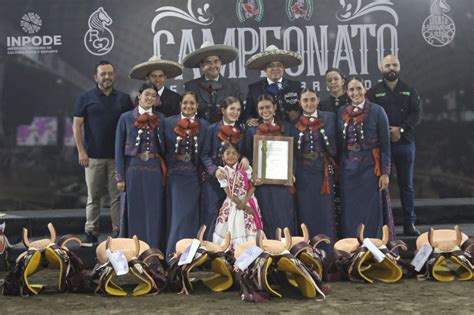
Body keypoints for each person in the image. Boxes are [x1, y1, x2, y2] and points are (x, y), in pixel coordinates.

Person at [72, 60, 134, 243]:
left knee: (116, 197)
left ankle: (117, 230)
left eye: (110, 73)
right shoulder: (85, 97)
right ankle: (91, 231)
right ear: (95, 77)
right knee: (94, 197)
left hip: (117, 158)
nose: (107, 77)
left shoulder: (123, 99)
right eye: (103, 74)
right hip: (92, 158)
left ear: (114, 76)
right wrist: (81, 151)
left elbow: (130, 126)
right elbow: (76, 126)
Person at [367, 55, 423, 236]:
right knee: (381, 186)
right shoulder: (374, 92)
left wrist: (401, 129)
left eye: (394, 65)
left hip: (405, 143)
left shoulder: (409, 89)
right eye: (387, 65)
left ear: (399, 67)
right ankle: (384, 226)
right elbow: (370, 117)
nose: (391, 68)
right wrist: (386, 134)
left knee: (406, 185)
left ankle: (410, 223)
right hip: (382, 147)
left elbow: (416, 114)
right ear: (381, 68)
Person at [337, 77, 395, 240]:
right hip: (349, 171)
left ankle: (373, 245)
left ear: (365, 89)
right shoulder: (341, 112)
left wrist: (385, 173)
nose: (355, 93)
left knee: (371, 211)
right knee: (351, 210)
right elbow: (340, 145)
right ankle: (353, 249)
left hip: (371, 170)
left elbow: (385, 144)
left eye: (358, 88)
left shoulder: (377, 111)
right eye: (351, 90)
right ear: (347, 92)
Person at [115, 83, 166, 249]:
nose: (150, 98)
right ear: (139, 95)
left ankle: (153, 249)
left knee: (154, 210)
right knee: (134, 210)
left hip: (154, 170)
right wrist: (120, 177)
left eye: (153, 95)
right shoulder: (126, 118)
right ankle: (133, 249)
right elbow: (118, 149)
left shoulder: (161, 118)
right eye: (147, 94)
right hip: (133, 168)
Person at [289, 89, 337, 252]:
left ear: (317, 100)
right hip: (303, 173)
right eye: (305, 100)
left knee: (325, 212)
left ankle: (328, 253)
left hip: (322, 173)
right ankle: (307, 252)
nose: (309, 104)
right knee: (305, 212)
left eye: (312, 100)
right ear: (300, 102)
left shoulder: (330, 118)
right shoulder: (293, 124)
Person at [163, 91, 209, 258]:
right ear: (180, 105)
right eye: (185, 103)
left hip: (193, 176)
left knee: (191, 216)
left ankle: (190, 255)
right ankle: (173, 254)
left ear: (197, 106)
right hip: (175, 176)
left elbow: (205, 152)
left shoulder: (204, 125)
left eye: (192, 103)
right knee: (178, 216)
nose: (188, 106)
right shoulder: (168, 123)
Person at [245, 94, 296, 236]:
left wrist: (291, 172)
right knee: (265, 218)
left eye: (268, 107)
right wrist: (253, 175)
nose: (265, 111)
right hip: (261, 183)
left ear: (274, 108)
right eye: (261, 108)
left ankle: (285, 250)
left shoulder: (286, 127)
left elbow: (294, 154)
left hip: (283, 183)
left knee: (284, 216)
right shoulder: (251, 131)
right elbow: (247, 156)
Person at [200, 96, 246, 240]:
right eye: (232, 109)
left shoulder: (242, 130)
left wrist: (244, 159)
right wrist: (214, 170)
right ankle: (208, 249)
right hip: (214, 183)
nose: (235, 112)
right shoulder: (211, 129)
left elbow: (245, 153)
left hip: (235, 184)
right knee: (211, 214)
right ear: (223, 110)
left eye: (238, 109)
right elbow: (204, 155)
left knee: (233, 217)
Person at [212, 143, 262, 247]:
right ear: (223, 156)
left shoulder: (245, 167)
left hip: (248, 200)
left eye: (234, 153)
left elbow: (253, 186)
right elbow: (228, 193)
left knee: (248, 227)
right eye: (228, 153)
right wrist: (241, 205)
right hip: (233, 203)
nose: (231, 156)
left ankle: (250, 251)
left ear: (238, 156)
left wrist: (245, 202)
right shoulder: (222, 172)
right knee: (231, 226)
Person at [183, 41, 243, 123]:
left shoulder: (232, 86)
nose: (213, 66)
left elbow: (241, 113)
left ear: (220, 63)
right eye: (208, 62)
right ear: (201, 65)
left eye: (216, 61)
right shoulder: (191, 86)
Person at [245, 45, 303, 125]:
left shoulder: (295, 86)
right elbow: (247, 113)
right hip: (264, 132)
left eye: (279, 65)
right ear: (265, 69)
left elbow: (305, 108)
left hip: (291, 131)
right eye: (270, 66)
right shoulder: (254, 89)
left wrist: (298, 113)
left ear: (284, 67)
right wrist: (249, 119)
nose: (275, 68)